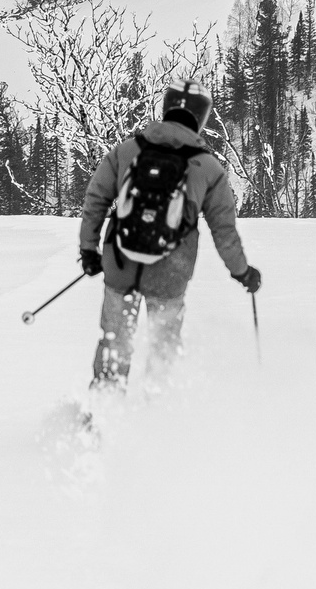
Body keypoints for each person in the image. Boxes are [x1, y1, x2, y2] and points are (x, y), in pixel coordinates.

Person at [77, 85, 260, 390]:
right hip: (171, 272)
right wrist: (242, 272)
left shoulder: (127, 150)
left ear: (167, 108)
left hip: (120, 261)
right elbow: (224, 231)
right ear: (200, 118)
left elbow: (95, 200)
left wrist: (89, 250)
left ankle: (102, 411)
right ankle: (156, 418)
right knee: (163, 351)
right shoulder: (209, 169)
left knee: (114, 341)